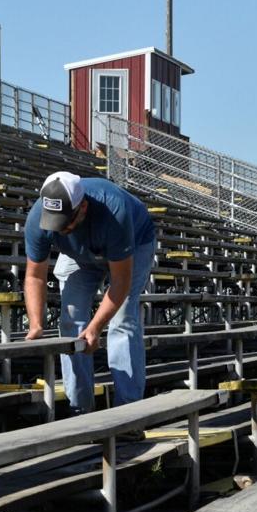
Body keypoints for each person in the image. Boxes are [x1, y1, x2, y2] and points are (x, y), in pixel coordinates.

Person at [22, 171, 156, 416]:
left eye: (65, 223)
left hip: (135, 244)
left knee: (122, 321)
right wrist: (36, 324)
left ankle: (128, 412)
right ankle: (80, 409)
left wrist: (96, 327)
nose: (61, 230)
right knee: (71, 321)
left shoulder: (114, 212)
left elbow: (120, 283)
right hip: (79, 254)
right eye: (55, 224)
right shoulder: (37, 218)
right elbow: (34, 276)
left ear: (82, 207)